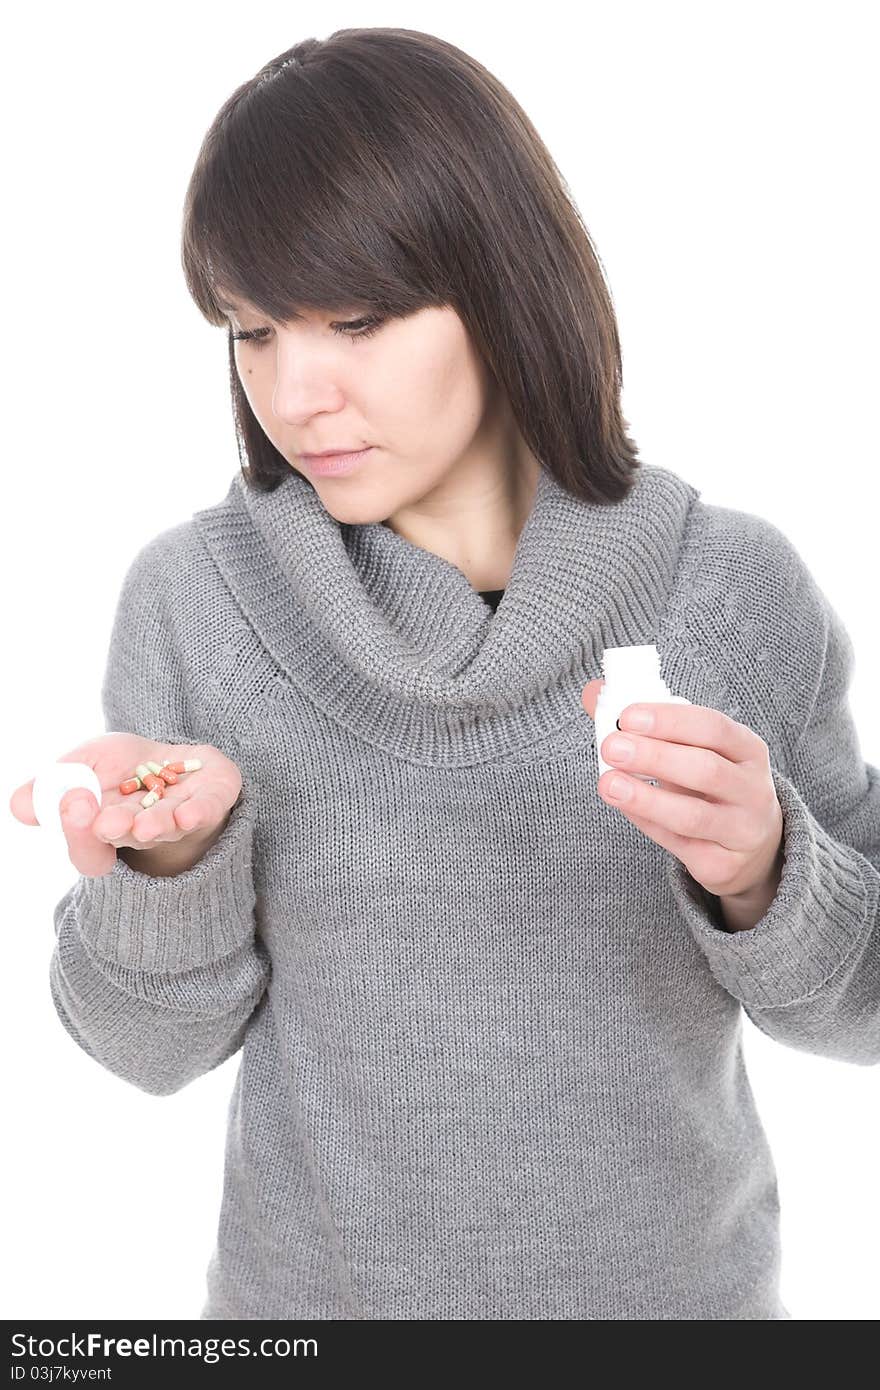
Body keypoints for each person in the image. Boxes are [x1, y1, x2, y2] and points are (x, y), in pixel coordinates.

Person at [19, 27, 880, 1320]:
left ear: (502, 284)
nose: (295, 391)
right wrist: (164, 869)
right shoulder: (198, 603)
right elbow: (145, 1054)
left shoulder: (729, 588)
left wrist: (765, 870)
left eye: (355, 321)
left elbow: (862, 1002)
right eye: (252, 333)